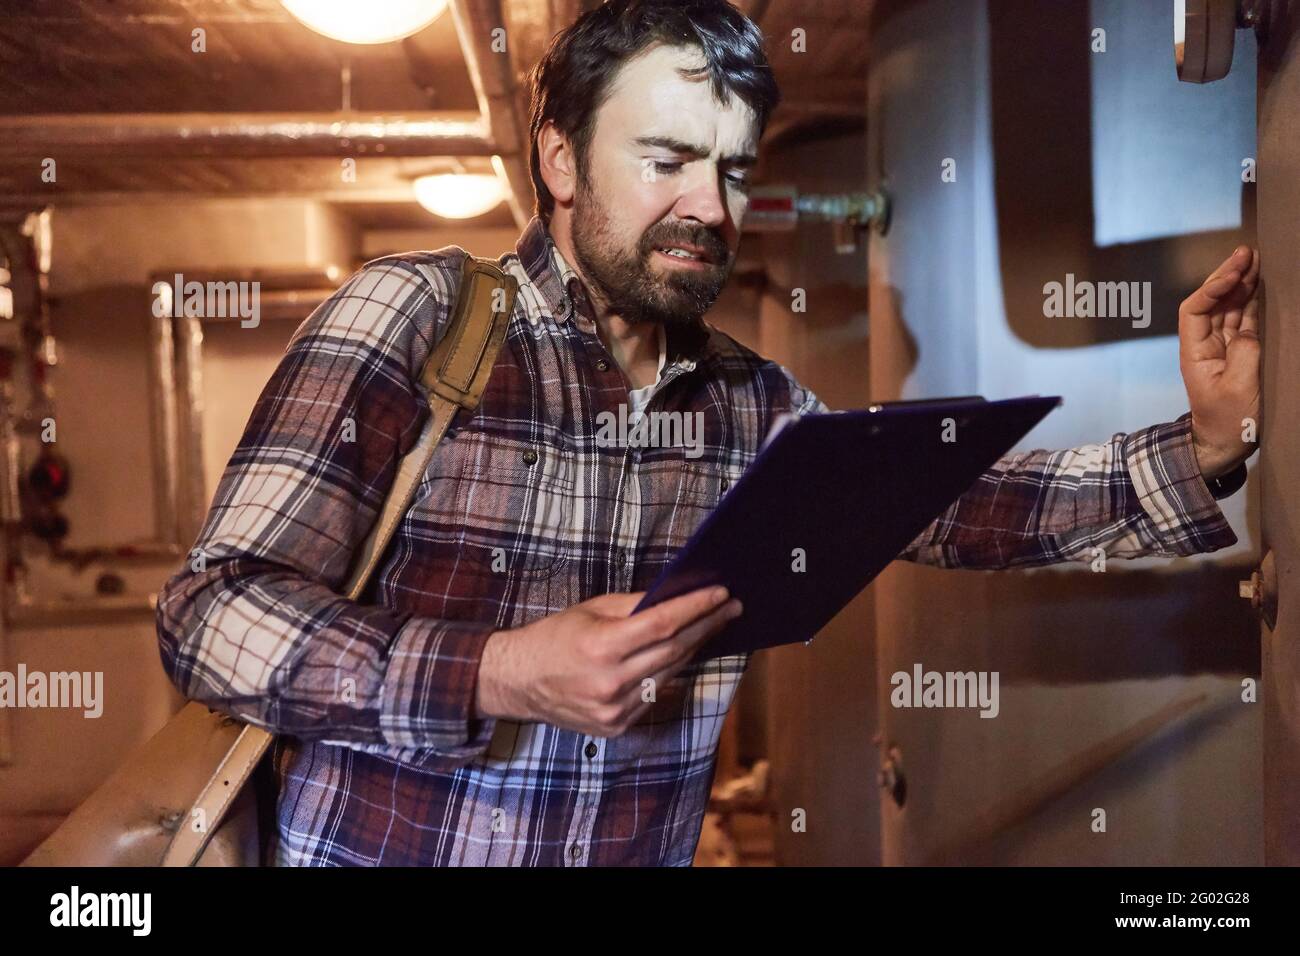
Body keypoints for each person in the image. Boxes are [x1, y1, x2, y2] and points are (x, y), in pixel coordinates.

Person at [155, 0, 1260, 866]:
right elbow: (211, 614)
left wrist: (1200, 444)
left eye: (731, 169)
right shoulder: (421, 315)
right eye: (667, 160)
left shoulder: (754, 403)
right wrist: (495, 671)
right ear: (558, 160)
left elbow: (958, 508)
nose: (713, 208)